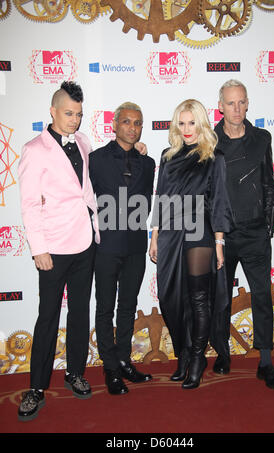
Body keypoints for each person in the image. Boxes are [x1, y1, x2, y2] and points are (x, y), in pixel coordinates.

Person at [17, 81, 100, 421]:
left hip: (84, 243)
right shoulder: (34, 149)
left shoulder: (83, 142)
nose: (74, 121)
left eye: (79, 115)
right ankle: (36, 388)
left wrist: (96, 230)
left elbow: (88, 192)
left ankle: (75, 372)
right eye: (68, 114)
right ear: (52, 111)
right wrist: (39, 248)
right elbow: (28, 205)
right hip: (52, 247)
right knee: (48, 316)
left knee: (80, 312)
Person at [149, 99, 233, 389]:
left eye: (192, 123)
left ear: (202, 124)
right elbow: (160, 197)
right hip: (171, 233)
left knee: (198, 299)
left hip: (200, 233)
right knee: (170, 298)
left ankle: (197, 358)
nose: (186, 129)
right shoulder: (167, 156)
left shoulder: (214, 157)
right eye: (181, 123)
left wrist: (219, 243)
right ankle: (183, 354)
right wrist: (155, 235)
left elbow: (220, 201)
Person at [212, 79, 274, 390]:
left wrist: (267, 226)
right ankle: (223, 352)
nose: (237, 108)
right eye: (231, 103)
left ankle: (265, 362)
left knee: (262, 296)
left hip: (255, 232)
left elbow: (269, 184)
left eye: (241, 102)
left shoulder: (261, 138)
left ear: (247, 103)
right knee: (220, 297)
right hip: (223, 234)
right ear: (221, 107)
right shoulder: (209, 141)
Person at [89, 102, 155, 395]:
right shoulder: (95, 160)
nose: (132, 127)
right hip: (105, 247)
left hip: (136, 246)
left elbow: (148, 203)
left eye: (137, 123)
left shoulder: (149, 163)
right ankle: (110, 368)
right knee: (104, 309)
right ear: (114, 124)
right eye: (126, 121)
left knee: (127, 306)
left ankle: (125, 360)